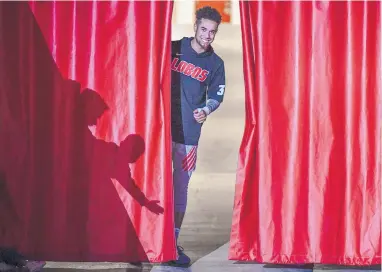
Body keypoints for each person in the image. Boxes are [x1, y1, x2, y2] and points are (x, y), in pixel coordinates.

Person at [170, 6, 226, 266]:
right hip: (161, 129)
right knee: (155, 184)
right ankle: (147, 238)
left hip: (189, 135)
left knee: (180, 187)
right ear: (195, 27)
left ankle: (172, 241)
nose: (207, 35)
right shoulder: (173, 48)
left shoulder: (216, 64)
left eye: (212, 31)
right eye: (204, 29)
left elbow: (217, 95)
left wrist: (206, 109)